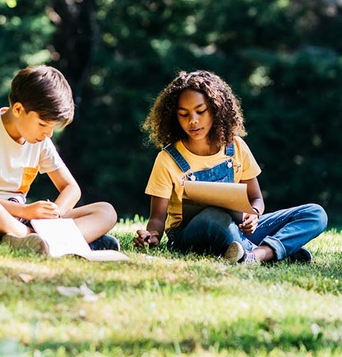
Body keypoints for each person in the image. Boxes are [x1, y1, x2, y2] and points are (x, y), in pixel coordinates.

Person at [133, 70, 327, 264]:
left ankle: (257, 255)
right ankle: (276, 252)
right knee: (213, 217)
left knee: (314, 213)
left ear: (216, 109)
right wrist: (152, 236)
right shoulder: (167, 159)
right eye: (184, 114)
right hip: (190, 234)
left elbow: (256, 198)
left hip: (237, 227)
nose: (193, 120)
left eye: (201, 111)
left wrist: (254, 214)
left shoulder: (236, 146)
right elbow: (157, 218)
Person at [0, 65, 119, 254]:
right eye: (43, 124)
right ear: (18, 109)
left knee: (106, 211)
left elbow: (71, 188)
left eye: (52, 127)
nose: (48, 134)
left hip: (21, 219)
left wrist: (55, 214)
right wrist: (25, 211)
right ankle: (53, 240)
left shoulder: (39, 141)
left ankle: (35, 240)